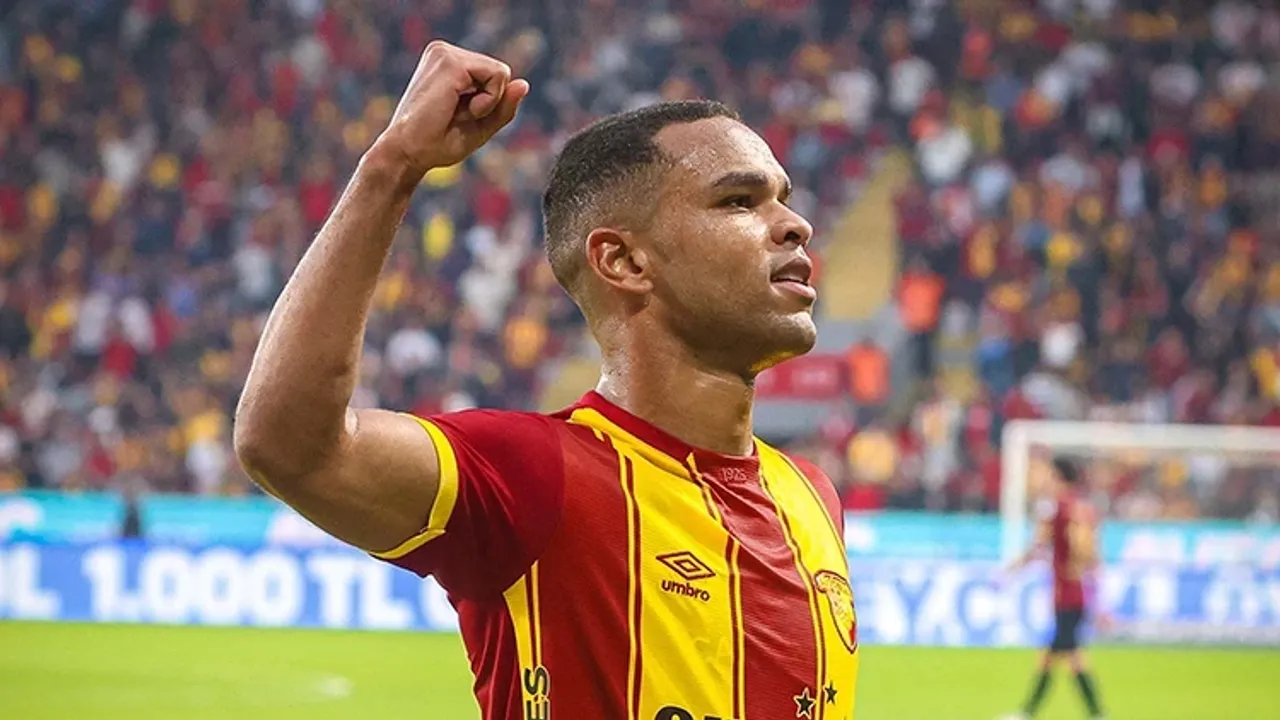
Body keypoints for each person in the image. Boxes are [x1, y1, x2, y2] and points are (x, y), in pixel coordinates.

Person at [233, 41, 860, 719]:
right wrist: (393, 165)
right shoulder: (533, 475)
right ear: (623, 261)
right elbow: (290, 446)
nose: (795, 225)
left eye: (783, 199)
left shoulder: (810, 496)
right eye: (739, 201)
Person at [999, 458, 1106, 720]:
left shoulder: (1062, 509)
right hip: (1071, 595)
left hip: (1068, 595)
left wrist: (1014, 568)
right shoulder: (1079, 507)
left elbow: (1048, 544)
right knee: (1067, 656)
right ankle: (1094, 713)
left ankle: (1028, 712)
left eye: (1049, 475)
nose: (1045, 480)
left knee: (1062, 657)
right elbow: (1089, 549)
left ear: (1058, 477)